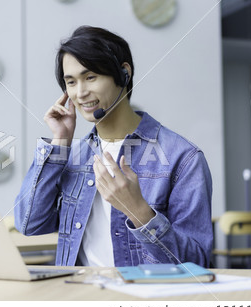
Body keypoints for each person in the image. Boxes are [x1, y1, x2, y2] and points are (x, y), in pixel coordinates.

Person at [14, 26, 213, 267]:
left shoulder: (183, 158)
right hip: (80, 295)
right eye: (71, 82)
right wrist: (59, 143)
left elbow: (196, 263)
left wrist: (139, 212)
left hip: (143, 299)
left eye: (90, 77)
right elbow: (29, 223)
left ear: (124, 74)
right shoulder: (73, 154)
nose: (80, 92)